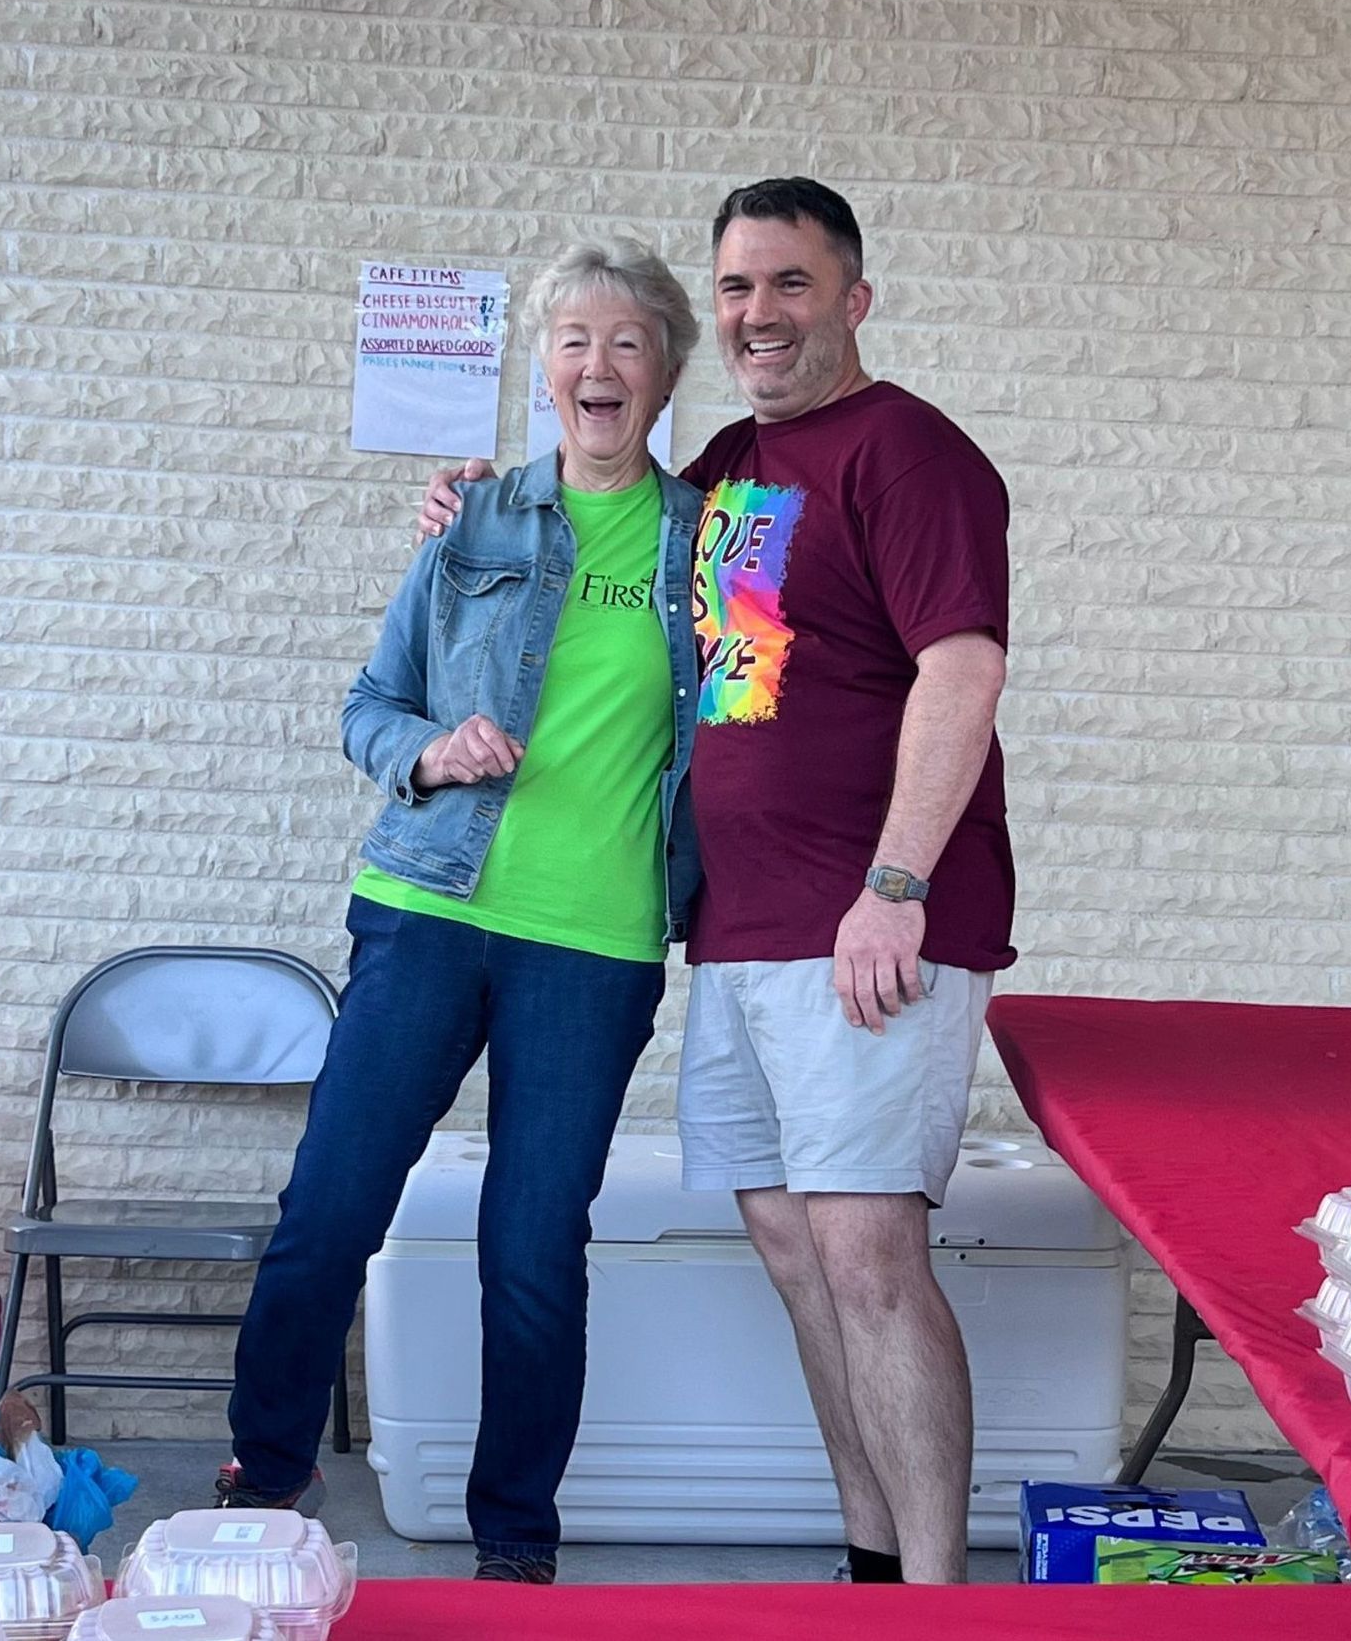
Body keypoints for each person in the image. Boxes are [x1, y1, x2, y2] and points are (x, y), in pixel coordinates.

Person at [417, 178, 1015, 1585]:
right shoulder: (736, 465)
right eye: (737, 287)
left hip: (866, 922)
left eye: (791, 285)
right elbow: (600, 534)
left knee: (867, 1252)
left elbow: (962, 667)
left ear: (852, 300)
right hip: (739, 930)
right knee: (794, 1247)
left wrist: (896, 882)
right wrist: (466, 498)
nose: (758, 313)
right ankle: (871, 1568)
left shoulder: (908, 451)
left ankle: (934, 1599)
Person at [218, 239, 703, 1586]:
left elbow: (757, 712)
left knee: (533, 1249)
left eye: (627, 343)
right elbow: (367, 706)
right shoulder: (476, 522)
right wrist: (428, 753)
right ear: (541, 368)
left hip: (593, 946)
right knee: (330, 1207)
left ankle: (513, 1546)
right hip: (427, 910)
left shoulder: (709, 539)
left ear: (667, 372)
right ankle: (263, 1481)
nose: (597, 365)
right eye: (573, 341)